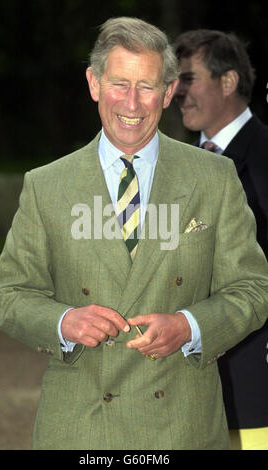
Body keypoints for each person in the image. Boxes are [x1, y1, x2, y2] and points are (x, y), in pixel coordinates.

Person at [0, 18, 268, 451]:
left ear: (169, 91)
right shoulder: (47, 184)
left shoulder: (215, 176)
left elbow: (252, 289)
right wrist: (63, 321)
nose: (132, 103)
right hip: (79, 429)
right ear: (94, 83)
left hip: (184, 428)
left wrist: (190, 326)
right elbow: (7, 295)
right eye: (119, 84)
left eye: (147, 86)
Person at [174, 29, 268, 450]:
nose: (177, 91)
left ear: (228, 82)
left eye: (188, 79)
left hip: (253, 388)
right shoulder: (173, 163)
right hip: (183, 390)